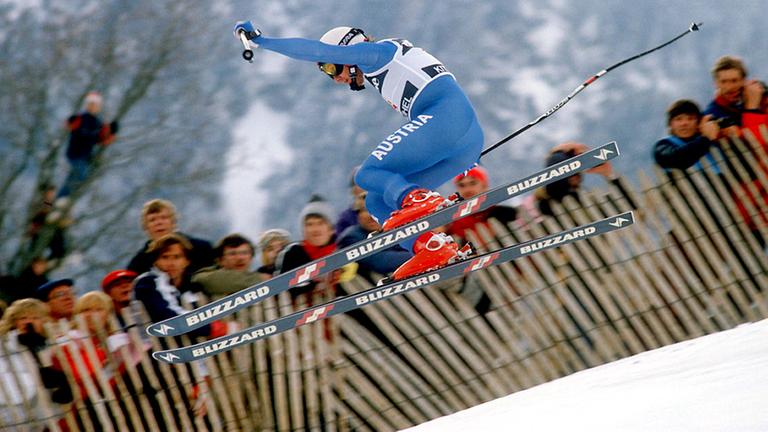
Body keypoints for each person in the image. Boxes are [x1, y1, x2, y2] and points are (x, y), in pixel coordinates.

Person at [234, 21, 478, 280]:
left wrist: (262, 41)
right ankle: (432, 248)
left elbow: (315, 50)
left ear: (346, 51)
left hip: (446, 118)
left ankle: (418, 198)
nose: (335, 78)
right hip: (465, 141)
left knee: (367, 174)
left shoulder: (374, 54)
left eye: (331, 67)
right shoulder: (381, 63)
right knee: (375, 201)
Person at [133, 233, 226, 339]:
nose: (171, 263)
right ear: (155, 262)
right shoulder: (147, 283)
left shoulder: (192, 285)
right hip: (154, 349)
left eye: (177, 257)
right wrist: (209, 327)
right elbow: (167, 316)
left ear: (187, 261)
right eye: (165, 257)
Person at [55, 91, 119, 204]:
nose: (92, 107)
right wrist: (71, 121)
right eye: (90, 104)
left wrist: (111, 132)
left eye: (95, 105)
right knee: (81, 173)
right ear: (87, 105)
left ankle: (61, 199)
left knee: (77, 177)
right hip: (75, 153)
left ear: (99, 107)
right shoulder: (81, 118)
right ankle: (63, 199)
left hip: (85, 156)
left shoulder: (98, 123)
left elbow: (102, 139)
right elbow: (71, 124)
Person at [275, 196, 339, 302]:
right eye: (309, 224)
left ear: (331, 228)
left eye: (320, 223)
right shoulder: (293, 253)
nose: (315, 229)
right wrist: (315, 286)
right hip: (304, 311)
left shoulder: (344, 251)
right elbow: (285, 288)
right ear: (303, 230)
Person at [127, 199, 214, 275]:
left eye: (163, 218)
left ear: (173, 222)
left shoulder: (202, 249)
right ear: (145, 227)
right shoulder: (139, 262)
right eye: (152, 220)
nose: (159, 223)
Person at [337, 191, 411, 282]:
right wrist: (421, 255)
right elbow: (380, 262)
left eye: (375, 209)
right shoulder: (351, 238)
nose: (371, 216)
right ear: (358, 215)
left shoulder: (397, 228)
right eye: (365, 210)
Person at [444, 165, 519, 243]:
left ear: (484, 186)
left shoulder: (506, 213)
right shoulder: (453, 224)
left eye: (473, 183)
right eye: (462, 185)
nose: (467, 189)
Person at [703, 56, 767, 139]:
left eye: (734, 81)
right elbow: (753, 141)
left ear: (744, 81)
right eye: (724, 82)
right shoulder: (712, 114)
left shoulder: (743, 103)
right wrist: (752, 108)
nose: (729, 87)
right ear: (716, 83)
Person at [653, 99, 720, 171]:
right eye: (678, 119)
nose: (684, 123)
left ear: (698, 122)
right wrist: (706, 138)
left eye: (690, 118)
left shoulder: (713, 140)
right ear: (670, 124)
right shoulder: (663, 145)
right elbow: (678, 159)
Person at [192, 234, 263, 298]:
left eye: (244, 253)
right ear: (220, 260)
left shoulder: (258, 274)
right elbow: (205, 280)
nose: (240, 258)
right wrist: (260, 278)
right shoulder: (206, 276)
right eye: (232, 254)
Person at [335, 166, 365, 236]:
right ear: (353, 190)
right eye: (359, 183)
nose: (364, 187)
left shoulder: (388, 208)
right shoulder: (345, 219)